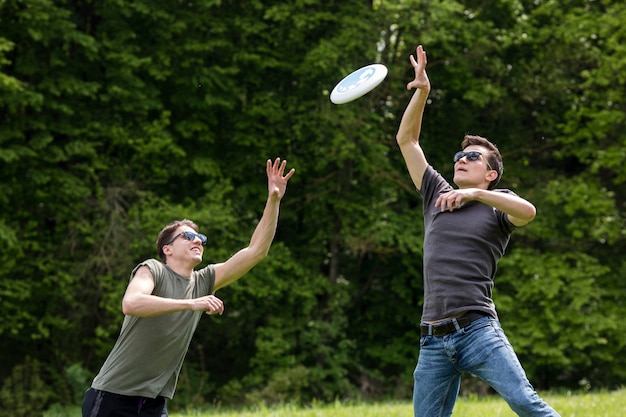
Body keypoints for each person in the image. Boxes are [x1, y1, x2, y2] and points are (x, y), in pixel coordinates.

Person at [396, 45, 560, 417]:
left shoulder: (497, 204)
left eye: (472, 157)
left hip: (478, 332)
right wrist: (422, 92)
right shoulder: (436, 193)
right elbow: (407, 141)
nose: (461, 160)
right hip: (432, 339)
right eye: (459, 156)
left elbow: (528, 211)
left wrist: (474, 194)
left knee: (525, 402)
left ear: (491, 174)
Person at [82, 158, 295, 417]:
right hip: (113, 398)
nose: (198, 241)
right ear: (167, 249)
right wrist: (191, 303)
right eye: (189, 236)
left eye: (201, 238)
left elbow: (256, 252)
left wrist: (274, 200)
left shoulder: (204, 280)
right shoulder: (153, 269)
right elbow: (131, 303)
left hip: (153, 404)